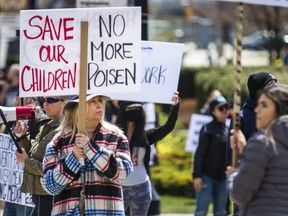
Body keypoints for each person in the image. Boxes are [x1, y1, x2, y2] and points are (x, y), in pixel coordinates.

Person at [40, 94, 133, 215]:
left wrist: (91, 149)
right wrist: (73, 158)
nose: (99, 104)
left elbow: (124, 173)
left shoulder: (116, 137)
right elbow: (49, 186)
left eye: (100, 101)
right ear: (76, 108)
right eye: (92, 101)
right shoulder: (59, 141)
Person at [116, 92, 180, 216]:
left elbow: (167, 128)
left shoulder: (145, 136)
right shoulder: (114, 136)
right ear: (123, 111)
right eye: (130, 108)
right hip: (120, 188)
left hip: (142, 186)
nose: (134, 111)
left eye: (137, 108)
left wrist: (175, 107)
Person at [227, 85, 288, 215]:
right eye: (258, 104)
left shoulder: (262, 143)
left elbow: (239, 194)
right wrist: (246, 150)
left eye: (264, 105)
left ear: (280, 110)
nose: (257, 110)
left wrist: (233, 174)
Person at [13, 96, 68, 216]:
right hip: (40, 195)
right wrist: (22, 137)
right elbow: (32, 153)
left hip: (50, 196)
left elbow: (52, 170)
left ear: (65, 103)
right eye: (44, 101)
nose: (46, 104)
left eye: (51, 100)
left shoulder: (63, 130)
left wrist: (26, 161)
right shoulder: (47, 126)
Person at [193, 95, 229, 216]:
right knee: (201, 211)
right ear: (213, 111)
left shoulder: (229, 130)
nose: (225, 110)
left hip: (223, 178)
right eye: (221, 108)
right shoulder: (207, 129)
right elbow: (200, 154)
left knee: (220, 212)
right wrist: (197, 176)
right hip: (206, 176)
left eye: (226, 107)